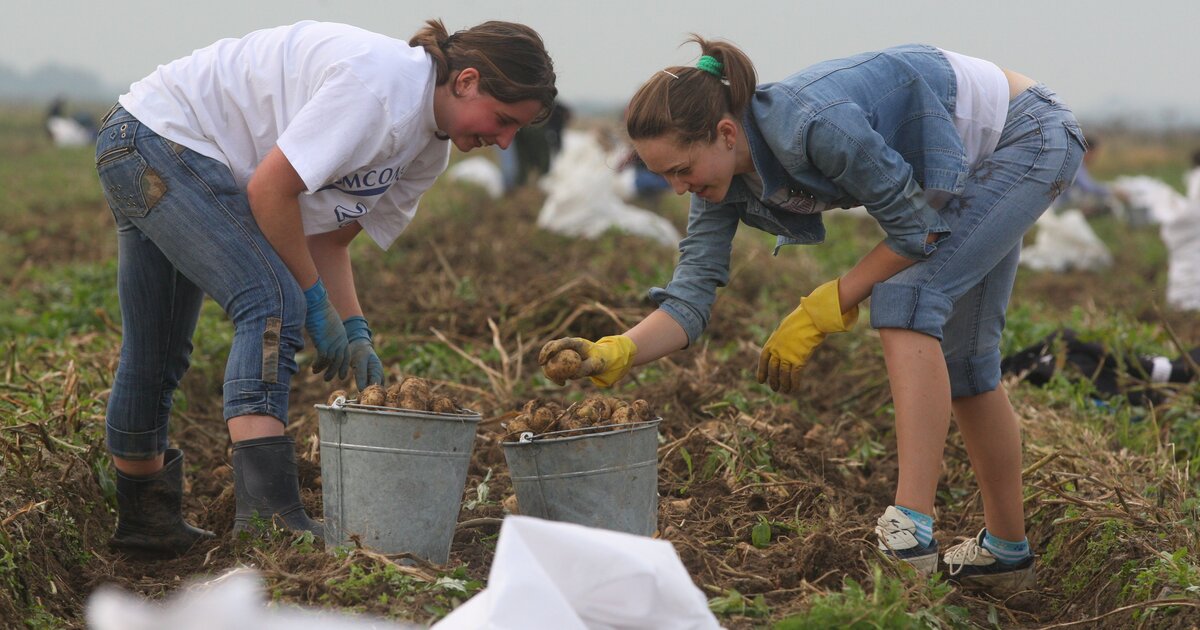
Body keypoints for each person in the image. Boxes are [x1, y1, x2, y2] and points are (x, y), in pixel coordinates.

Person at [539, 38, 1084, 592]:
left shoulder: (815, 125)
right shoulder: (718, 181)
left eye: (682, 170)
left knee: (905, 299)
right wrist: (620, 349)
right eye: (667, 177)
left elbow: (916, 232)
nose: (679, 188)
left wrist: (828, 304)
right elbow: (691, 297)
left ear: (726, 134)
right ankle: (1007, 553)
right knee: (965, 363)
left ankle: (910, 533)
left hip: (1025, 134)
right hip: (970, 163)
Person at [95, 19, 556, 554]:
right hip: (160, 140)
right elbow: (271, 190)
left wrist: (355, 328)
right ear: (467, 80)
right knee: (271, 302)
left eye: (514, 132)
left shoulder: (427, 150)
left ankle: (146, 524)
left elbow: (329, 241)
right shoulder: (382, 90)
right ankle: (269, 522)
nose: (503, 142)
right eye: (502, 121)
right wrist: (312, 302)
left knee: (157, 347)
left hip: (143, 143)